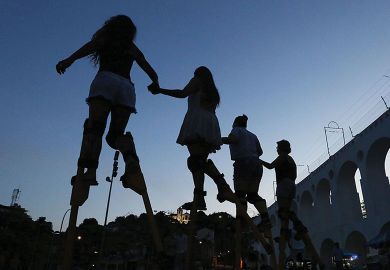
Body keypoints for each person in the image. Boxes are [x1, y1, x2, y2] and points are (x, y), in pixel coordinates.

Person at [56, 15, 158, 190]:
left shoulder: (105, 39)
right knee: (115, 136)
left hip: (105, 81)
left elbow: (86, 49)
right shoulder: (131, 47)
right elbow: (148, 68)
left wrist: (68, 60)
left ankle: (91, 171)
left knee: (95, 128)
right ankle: (130, 158)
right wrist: (155, 82)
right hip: (126, 88)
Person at [148, 66, 235, 209]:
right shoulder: (212, 91)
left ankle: (206, 194)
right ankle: (214, 189)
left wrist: (160, 90)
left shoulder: (197, 81)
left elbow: (182, 93)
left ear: (198, 74)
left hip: (198, 120)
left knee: (195, 161)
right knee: (199, 161)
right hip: (211, 122)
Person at [261, 140, 324, 270]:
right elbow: (294, 176)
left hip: (283, 184)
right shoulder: (291, 160)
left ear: (281, 148)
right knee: (287, 213)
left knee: (283, 214)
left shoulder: (282, 157)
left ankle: (284, 247)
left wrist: (258, 160)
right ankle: (294, 233)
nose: (276, 149)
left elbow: (270, 166)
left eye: (277, 147)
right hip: (291, 185)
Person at [222, 114, 272, 231]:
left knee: (240, 194)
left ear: (235, 123)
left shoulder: (236, 130)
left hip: (243, 163)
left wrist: (218, 140)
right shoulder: (253, 135)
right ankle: (265, 219)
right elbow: (260, 151)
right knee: (253, 195)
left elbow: (232, 140)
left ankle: (242, 220)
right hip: (257, 164)